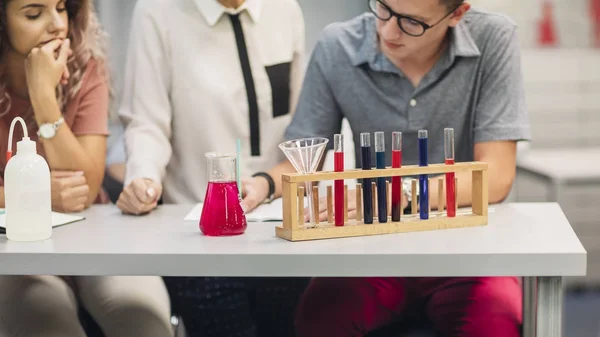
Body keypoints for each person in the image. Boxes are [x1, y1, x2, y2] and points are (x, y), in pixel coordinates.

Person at [241, 0, 531, 336]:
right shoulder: (337, 45)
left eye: (412, 22)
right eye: (383, 8)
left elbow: (495, 178)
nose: (388, 30)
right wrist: (262, 183)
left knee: (494, 317)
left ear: (457, 14)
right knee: (319, 316)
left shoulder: (494, 37)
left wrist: (385, 199)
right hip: (372, 250)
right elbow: (306, 156)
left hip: (466, 250)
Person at [116, 0, 308, 336]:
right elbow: (147, 122)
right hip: (199, 236)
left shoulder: (285, 9)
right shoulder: (157, 12)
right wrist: (143, 178)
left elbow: (303, 127)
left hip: (280, 230)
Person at [0, 1, 173, 336]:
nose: (57, 26)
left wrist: (42, 96)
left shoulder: (86, 63)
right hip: (14, 250)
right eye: (33, 14)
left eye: (62, 8)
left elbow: (85, 188)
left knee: (145, 320)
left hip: (92, 233)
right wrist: (29, 196)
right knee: (49, 323)